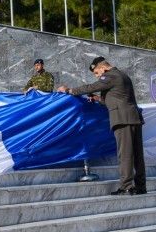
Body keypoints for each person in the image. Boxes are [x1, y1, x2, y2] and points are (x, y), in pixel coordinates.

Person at [58, 56, 147, 195]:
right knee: (137, 155)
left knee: (125, 155)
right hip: (133, 118)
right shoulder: (122, 75)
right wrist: (98, 99)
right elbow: (116, 98)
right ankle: (140, 187)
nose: (98, 76)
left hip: (123, 120)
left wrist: (70, 90)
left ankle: (126, 186)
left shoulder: (110, 75)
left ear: (102, 68)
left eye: (97, 73)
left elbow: (92, 87)